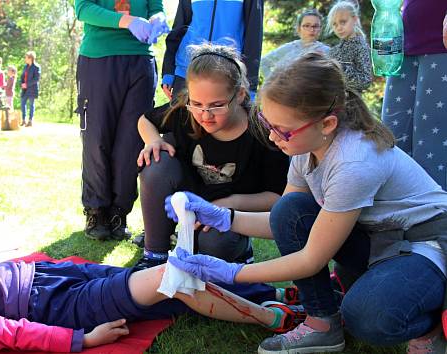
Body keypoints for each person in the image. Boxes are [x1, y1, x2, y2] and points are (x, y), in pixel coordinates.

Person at [164, 52, 447, 353]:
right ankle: (322, 322)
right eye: (266, 123)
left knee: (367, 316)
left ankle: (429, 326)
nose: (273, 138)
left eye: (281, 130)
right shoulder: (305, 144)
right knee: (289, 210)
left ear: (326, 123)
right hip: (382, 239)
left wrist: (230, 272)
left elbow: (311, 258)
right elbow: (284, 221)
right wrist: (224, 216)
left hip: (427, 244)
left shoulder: (353, 162)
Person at [0, 260, 306, 353]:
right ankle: (274, 313)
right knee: (168, 278)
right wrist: (79, 340)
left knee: (168, 298)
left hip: (54, 275)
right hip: (60, 307)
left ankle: (277, 293)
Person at [135, 44, 289, 269]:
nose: (205, 115)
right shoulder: (185, 113)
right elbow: (145, 119)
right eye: (196, 104)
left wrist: (224, 206)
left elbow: (278, 198)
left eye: (217, 106)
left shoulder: (263, 131)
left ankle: (239, 253)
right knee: (156, 161)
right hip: (189, 204)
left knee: (213, 243)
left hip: (230, 217)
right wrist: (153, 141)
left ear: (239, 95)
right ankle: (155, 256)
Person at [75, 0, 169, 241]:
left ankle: (119, 212)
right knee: (97, 137)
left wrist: (158, 17)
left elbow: (155, 6)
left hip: (140, 59)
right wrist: (127, 21)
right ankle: (96, 211)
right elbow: (83, 9)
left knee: (132, 141)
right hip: (99, 58)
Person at [382, 2, 447, 191]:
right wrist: (385, 49)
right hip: (403, 45)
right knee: (392, 135)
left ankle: (438, 211)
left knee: (432, 142)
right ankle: (399, 208)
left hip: (440, 44)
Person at [161, 0, 263, 102]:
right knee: (178, 117)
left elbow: (253, 36)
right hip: (186, 70)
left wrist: (250, 87)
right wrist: (168, 71)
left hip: (226, 73)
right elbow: (179, 27)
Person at [260, 8, 329, 81]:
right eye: (306, 25)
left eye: (315, 26)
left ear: (320, 29)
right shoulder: (289, 48)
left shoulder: (327, 51)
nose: (312, 29)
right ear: (299, 28)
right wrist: (275, 84)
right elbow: (263, 62)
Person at [326, 0, 372, 92]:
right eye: (335, 24)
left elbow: (365, 81)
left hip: (351, 102)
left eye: (343, 22)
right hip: (333, 101)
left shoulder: (361, 47)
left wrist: (341, 68)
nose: (339, 28)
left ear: (354, 19)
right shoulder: (334, 51)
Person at [20, 51, 41, 127]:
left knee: (31, 104)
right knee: (23, 103)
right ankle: (23, 120)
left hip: (32, 89)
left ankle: (30, 120)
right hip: (24, 89)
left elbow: (36, 79)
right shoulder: (25, 67)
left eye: (26, 57)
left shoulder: (36, 67)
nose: (25, 59)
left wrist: (27, 84)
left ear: (30, 58)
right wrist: (22, 84)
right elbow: (22, 76)